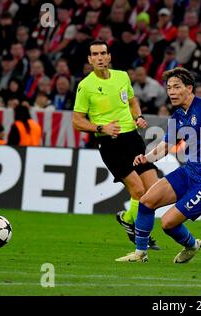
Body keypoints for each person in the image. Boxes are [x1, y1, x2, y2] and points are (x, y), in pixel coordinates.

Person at [115, 67, 201, 263]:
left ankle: (191, 245)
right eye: (169, 88)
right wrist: (147, 158)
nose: (172, 92)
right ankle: (140, 253)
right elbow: (166, 146)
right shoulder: (178, 116)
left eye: (177, 87)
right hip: (189, 172)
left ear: (189, 88)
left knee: (168, 223)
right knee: (146, 201)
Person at [72, 40, 160, 250]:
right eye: (95, 54)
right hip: (110, 144)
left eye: (103, 53)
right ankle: (141, 239)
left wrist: (138, 116)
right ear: (90, 59)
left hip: (133, 139)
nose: (100, 58)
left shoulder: (122, 76)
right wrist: (101, 128)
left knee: (154, 190)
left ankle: (127, 219)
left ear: (109, 56)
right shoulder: (86, 86)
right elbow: (77, 121)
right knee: (138, 191)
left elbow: (131, 102)